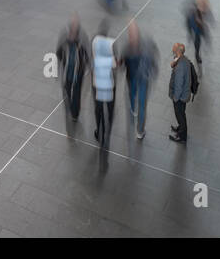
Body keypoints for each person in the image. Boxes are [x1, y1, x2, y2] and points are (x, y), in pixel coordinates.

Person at [117, 22, 157, 140]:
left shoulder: (147, 44)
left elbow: (154, 59)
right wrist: (118, 64)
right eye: (130, 34)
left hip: (143, 79)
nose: (132, 37)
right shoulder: (126, 48)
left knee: (142, 104)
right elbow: (122, 64)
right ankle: (133, 109)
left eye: (134, 33)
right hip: (131, 79)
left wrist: (153, 71)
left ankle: (140, 130)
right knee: (132, 96)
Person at [91, 23, 118, 168]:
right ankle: (105, 132)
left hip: (97, 83)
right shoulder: (109, 46)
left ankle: (99, 131)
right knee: (109, 108)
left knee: (98, 109)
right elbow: (114, 64)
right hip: (108, 83)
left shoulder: (94, 43)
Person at [57, 15, 90, 122]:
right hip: (67, 71)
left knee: (76, 93)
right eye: (72, 27)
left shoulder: (82, 37)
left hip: (78, 71)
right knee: (67, 90)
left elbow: (88, 53)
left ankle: (75, 113)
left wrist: (86, 66)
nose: (73, 30)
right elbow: (59, 52)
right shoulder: (64, 35)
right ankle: (70, 108)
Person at [168, 42, 194, 144]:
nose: (172, 48)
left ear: (178, 50)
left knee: (180, 114)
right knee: (181, 113)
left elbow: (178, 85)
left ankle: (182, 136)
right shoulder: (183, 59)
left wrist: (175, 98)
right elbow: (174, 62)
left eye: (174, 47)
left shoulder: (180, 68)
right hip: (185, 93)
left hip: (180, 96)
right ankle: (180, 128)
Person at [184, 0, 210, 64]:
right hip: (195, 26)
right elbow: (189, 19)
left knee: (198, 39)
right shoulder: (192, 9)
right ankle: (197, 54)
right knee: (197, 39)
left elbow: (204, 14)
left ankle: (197, 54)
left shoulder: (200, 6)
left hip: (198, 26)